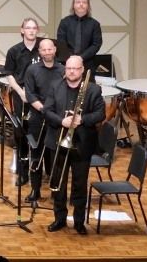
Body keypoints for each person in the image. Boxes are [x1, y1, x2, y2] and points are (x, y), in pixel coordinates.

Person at [44, 55, 104, 235]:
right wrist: (62, 121)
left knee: (80, 184)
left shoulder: (93, 90)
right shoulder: (55, 86)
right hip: (58, 141)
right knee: (59, 184)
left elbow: (100, 113)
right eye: (68, 68)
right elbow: (47, 111)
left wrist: (82, 119)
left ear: (82, 70)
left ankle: (79, 222)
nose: (71, 71)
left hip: (82, 144)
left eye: (75, 68)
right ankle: (59, 219)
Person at [22, 38, 65, 204]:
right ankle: (36, 190)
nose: (47, 52)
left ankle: (55, 191)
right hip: (37, 118)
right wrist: (43, 109)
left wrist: (52, 113)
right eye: (44, 50)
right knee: (36, 155)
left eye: (50, 49)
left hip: (55, 119)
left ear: (55, 50)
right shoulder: (32, 70)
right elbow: (30, 94)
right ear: (39, 52)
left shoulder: (63, 69)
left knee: (55, 157)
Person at [3, 18, 41, 186]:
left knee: (38, 134)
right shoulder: (14, 51)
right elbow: (9, 74)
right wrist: (20, 92)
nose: (31, 31)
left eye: (34, 28)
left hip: (39, 97)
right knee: (21, 135)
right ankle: (23, 173)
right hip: (21, 95)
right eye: (28, 28)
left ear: (37, 31)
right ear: (22, 30)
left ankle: (37, 173)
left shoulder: (43, 50)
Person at [56, 0, 103, 76]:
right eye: (78, 2)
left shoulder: (95, 24)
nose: (81, 4)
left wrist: (81, 58)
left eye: (84, 2)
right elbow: (61, 43)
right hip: (67, 64)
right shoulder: (64, 22)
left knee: (88, 89)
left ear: (88, 6)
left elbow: (96, 44)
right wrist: (71, 58)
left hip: (87, 64)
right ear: (73, 5)